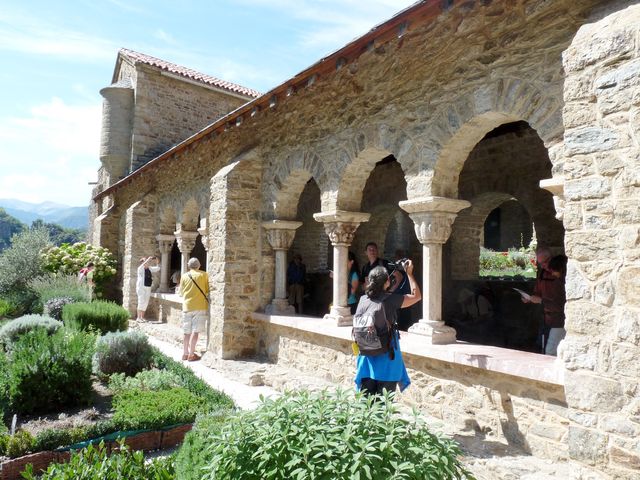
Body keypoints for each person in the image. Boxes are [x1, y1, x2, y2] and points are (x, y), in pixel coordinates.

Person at [354, 262, 421, 397]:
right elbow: (416, 296)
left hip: (366, 360)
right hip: (387, 361)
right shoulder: (390, 300)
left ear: (369, 280)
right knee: (382, 408)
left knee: (365, 406)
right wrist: (409, 274)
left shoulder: (363, 299)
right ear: (386, 283)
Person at [522, 248, 567, 356]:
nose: (543, 266)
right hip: (546, 319)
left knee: (550, 352)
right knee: (543, 347)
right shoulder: (542, 273)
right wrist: (529, 298)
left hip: (559, 319)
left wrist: (541, 301)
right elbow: (537, 292)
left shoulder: (563, 273)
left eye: (545, 262)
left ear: (551, 258)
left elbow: (562, 303)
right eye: (540, 263)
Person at [178, 257, 209, 361]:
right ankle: (192, 354)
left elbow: (181, 293)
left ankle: (185, 353)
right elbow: (208, 290)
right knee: (195, 331)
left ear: (188, 266)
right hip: (200, 306)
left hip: (187, 306)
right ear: (199, 265)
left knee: (186, 331)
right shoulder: (204, 275)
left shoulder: (184, 276)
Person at [136, 256, 160, 321]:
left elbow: (158, 268)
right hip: (141, 287)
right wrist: (148, 259)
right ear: (142, 263)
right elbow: (143, 264)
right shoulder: (140, 268)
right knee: (141, 301)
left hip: (148, 287)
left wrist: (157, 260)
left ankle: (142, 317)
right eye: (145, 261)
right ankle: (138, 317)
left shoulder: (149, 268)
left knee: (146, 302)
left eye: (146, 261)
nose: (147, 262)